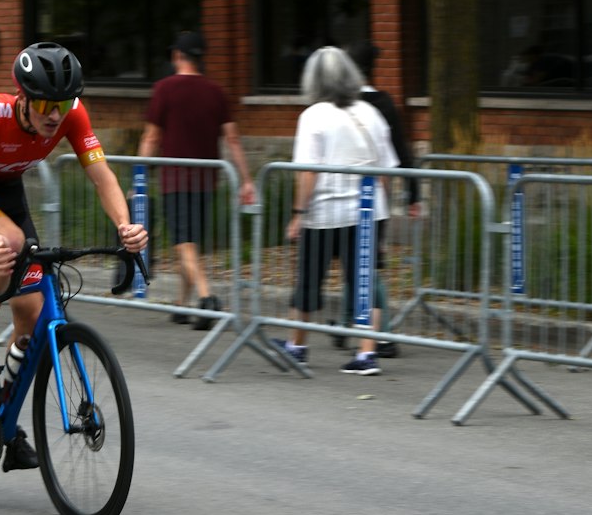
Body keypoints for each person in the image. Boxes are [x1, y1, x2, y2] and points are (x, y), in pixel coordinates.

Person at [0, 42, 148, 472]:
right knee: (8, 243)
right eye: (47, 103)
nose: (55, 114)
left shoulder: (72, 115)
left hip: (8, 190)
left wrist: (125, 227)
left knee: (30, 314)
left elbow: (102, 178)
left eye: (63, 104)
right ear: (23, 98)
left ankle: (1, 424)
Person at [271, 46, 398, 375]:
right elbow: (387, 169)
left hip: (326, 212)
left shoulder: (313, 115)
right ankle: (366, 353)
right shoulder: (371, 113)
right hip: (369, 211)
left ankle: (297, 345)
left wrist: (299, 212)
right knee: (363, 279)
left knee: (309, 279)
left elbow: (308, 171)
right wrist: (385, 211)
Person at [138, 31, 256, 329]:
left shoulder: (164, 89)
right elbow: (233, 138)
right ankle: (181, 304)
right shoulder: (216, 92)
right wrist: (246, 179)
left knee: (183, 242)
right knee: (190, 242)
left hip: (175, 178)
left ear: (177, 55)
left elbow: (152, 136)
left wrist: (139, 175)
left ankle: (206, 299)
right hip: (207, 180)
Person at [348, 40, 422, 357]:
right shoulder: (384, 103)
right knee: (362, 260)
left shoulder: (339, 104)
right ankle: (353, 322)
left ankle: (384, 334)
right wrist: (413, 194)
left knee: (361, 263)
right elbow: (403, 152)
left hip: (339, 197)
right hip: (375, 197)